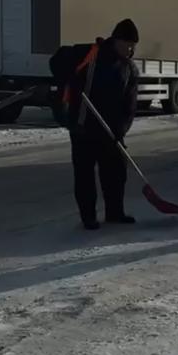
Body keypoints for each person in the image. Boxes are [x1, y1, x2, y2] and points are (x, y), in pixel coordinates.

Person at [51, 19, 139, 230]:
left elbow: (130, 105)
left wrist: (121, 129)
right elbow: (56, 62)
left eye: (133, 46)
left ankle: (115, 212)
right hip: (83, 127)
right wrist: (68, 79)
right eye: (127, 44)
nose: (130, 49)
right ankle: (88, 217)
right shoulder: (90, 53)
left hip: (111, 131)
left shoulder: (130, 69)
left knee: (116, 172)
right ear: (116, 40)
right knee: (84, 175)